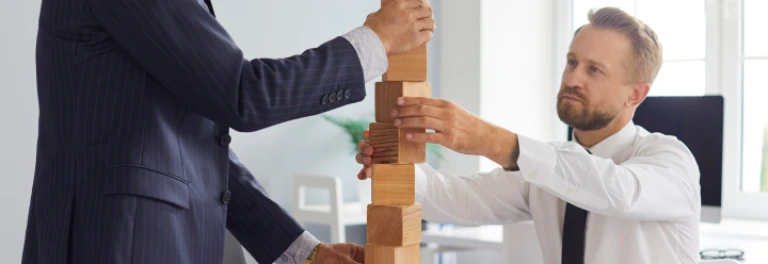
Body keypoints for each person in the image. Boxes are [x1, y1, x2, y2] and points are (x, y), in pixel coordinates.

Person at [23, 0, 434, 263]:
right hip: (122, 243)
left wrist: (302, 253)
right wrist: (375, 42)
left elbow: (193, 140)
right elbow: (243, 95)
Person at [356, 7, 701, 264]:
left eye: (594, 70)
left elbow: (617, 191)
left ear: (635, 95)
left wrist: (492, 140)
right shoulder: (547, 170)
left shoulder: (671, 161)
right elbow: (462, 199)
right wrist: (394, 169)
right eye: (571, 62)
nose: (572, 78)